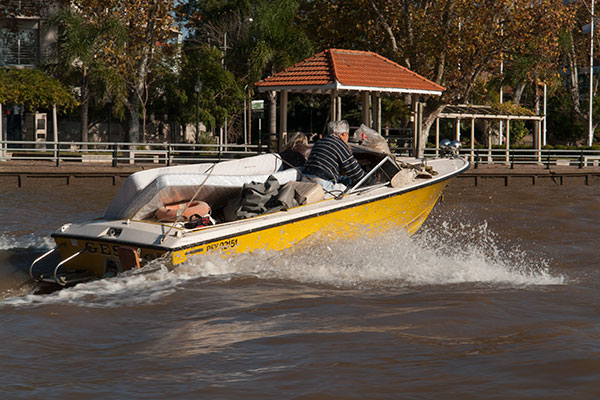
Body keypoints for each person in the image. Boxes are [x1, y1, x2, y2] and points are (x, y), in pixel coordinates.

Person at [302, 120, 365, 192]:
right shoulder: (340, 144)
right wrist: (371, 181)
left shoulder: (320, 141)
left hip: (305, 179)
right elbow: (356, 173)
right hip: (321, 183)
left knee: (344, 179)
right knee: (350, 187)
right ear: (344, 134)